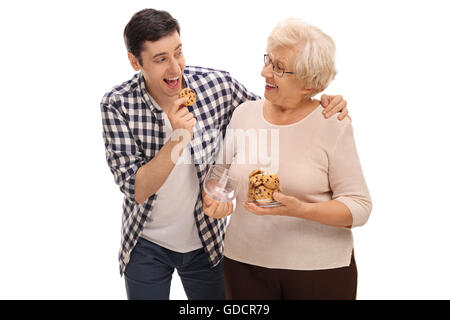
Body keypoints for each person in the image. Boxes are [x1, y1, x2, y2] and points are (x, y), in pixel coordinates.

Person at [100, 9, 349, 300]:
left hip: (206, 242)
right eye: (160, 59)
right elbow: (136, 189)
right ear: (134, 61)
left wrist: (319, 103)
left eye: (178, 53)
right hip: (145, 244)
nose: (175, 68)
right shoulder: (117, 105)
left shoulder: (217, 86)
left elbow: (273, 117)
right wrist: (178, 139)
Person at [203, 18, 372, 300]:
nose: (264, 71)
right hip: (243, 265)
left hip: (319, 272)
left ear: (309, 83)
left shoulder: (333, 123)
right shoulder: (244, 113)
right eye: (268, 60)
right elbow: (220, 175)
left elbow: (360, 207)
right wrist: (215, 200)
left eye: (278, 68)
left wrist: (298, 209)